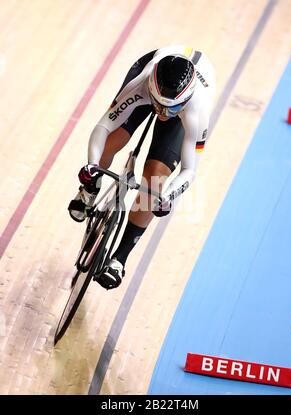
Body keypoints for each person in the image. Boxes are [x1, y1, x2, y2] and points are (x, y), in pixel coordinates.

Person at [68, 45, 216, 289]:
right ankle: (89, 189)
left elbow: (190, 170)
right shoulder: (142, 82)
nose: (162, 114)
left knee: (155, 180)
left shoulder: (196, 111)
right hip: (147, 87)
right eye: (159, 106)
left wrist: (167, 196)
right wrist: (92, 165)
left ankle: (120, 259)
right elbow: (103, 126)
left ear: (185, 101)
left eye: (171, 109)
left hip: (181, 102)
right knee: (114, 140)